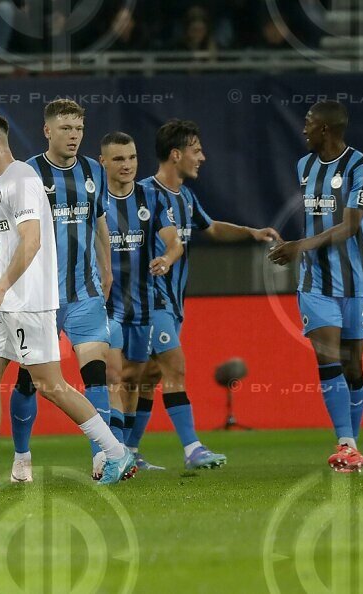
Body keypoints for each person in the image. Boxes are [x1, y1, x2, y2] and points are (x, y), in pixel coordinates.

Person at [0, 113, 136, 489]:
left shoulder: (21, 182)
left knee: (50, 384)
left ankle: (115, 451)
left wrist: (0, 289)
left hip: (28, 301)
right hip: (5, 303)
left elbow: (32, 241)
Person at [128, 119, 279, 470]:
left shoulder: (186, 197)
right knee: (174, 368)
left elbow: (210, 229)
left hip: (173, 301)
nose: (203, 157)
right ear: (176, 154)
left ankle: (128, 452)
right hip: (150, 300)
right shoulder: (144, 194)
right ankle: (192, 448)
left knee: (149, 378)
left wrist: (251, 232)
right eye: (196, 151)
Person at [9, 99, 116, 483]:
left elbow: (100, 222)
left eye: (78, 129)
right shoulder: (28, 174)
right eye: (66, 128)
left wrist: (106, 270)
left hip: (85, 292)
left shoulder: (93, 170)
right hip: (40, 299)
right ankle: (22, 456)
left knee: (97, 375)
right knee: (29, 381)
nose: (74, 136)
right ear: (47, 131)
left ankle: (104, 456)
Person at [268, 101, 363, 473]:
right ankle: (346, 444)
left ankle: (353, 444)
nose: (304, 130)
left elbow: (350, 226)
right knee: (327, 359)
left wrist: (299, 246)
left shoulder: (362, 167)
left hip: (356, 281)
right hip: (315, 282)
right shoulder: (304, 166)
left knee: (352, 366)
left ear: (327, 130)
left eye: (310, 124)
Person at [99, 131, 183, 475]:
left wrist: (168, 258)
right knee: (113, 377)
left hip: (142, 304)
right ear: (103, 161)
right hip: (104, 305)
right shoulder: (95, 202)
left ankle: (128, 451)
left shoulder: (152, 198)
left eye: (132, 157)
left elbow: (174, 242)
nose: (127, 165)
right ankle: (114, 451)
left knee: (133, 379)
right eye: (119, 159)